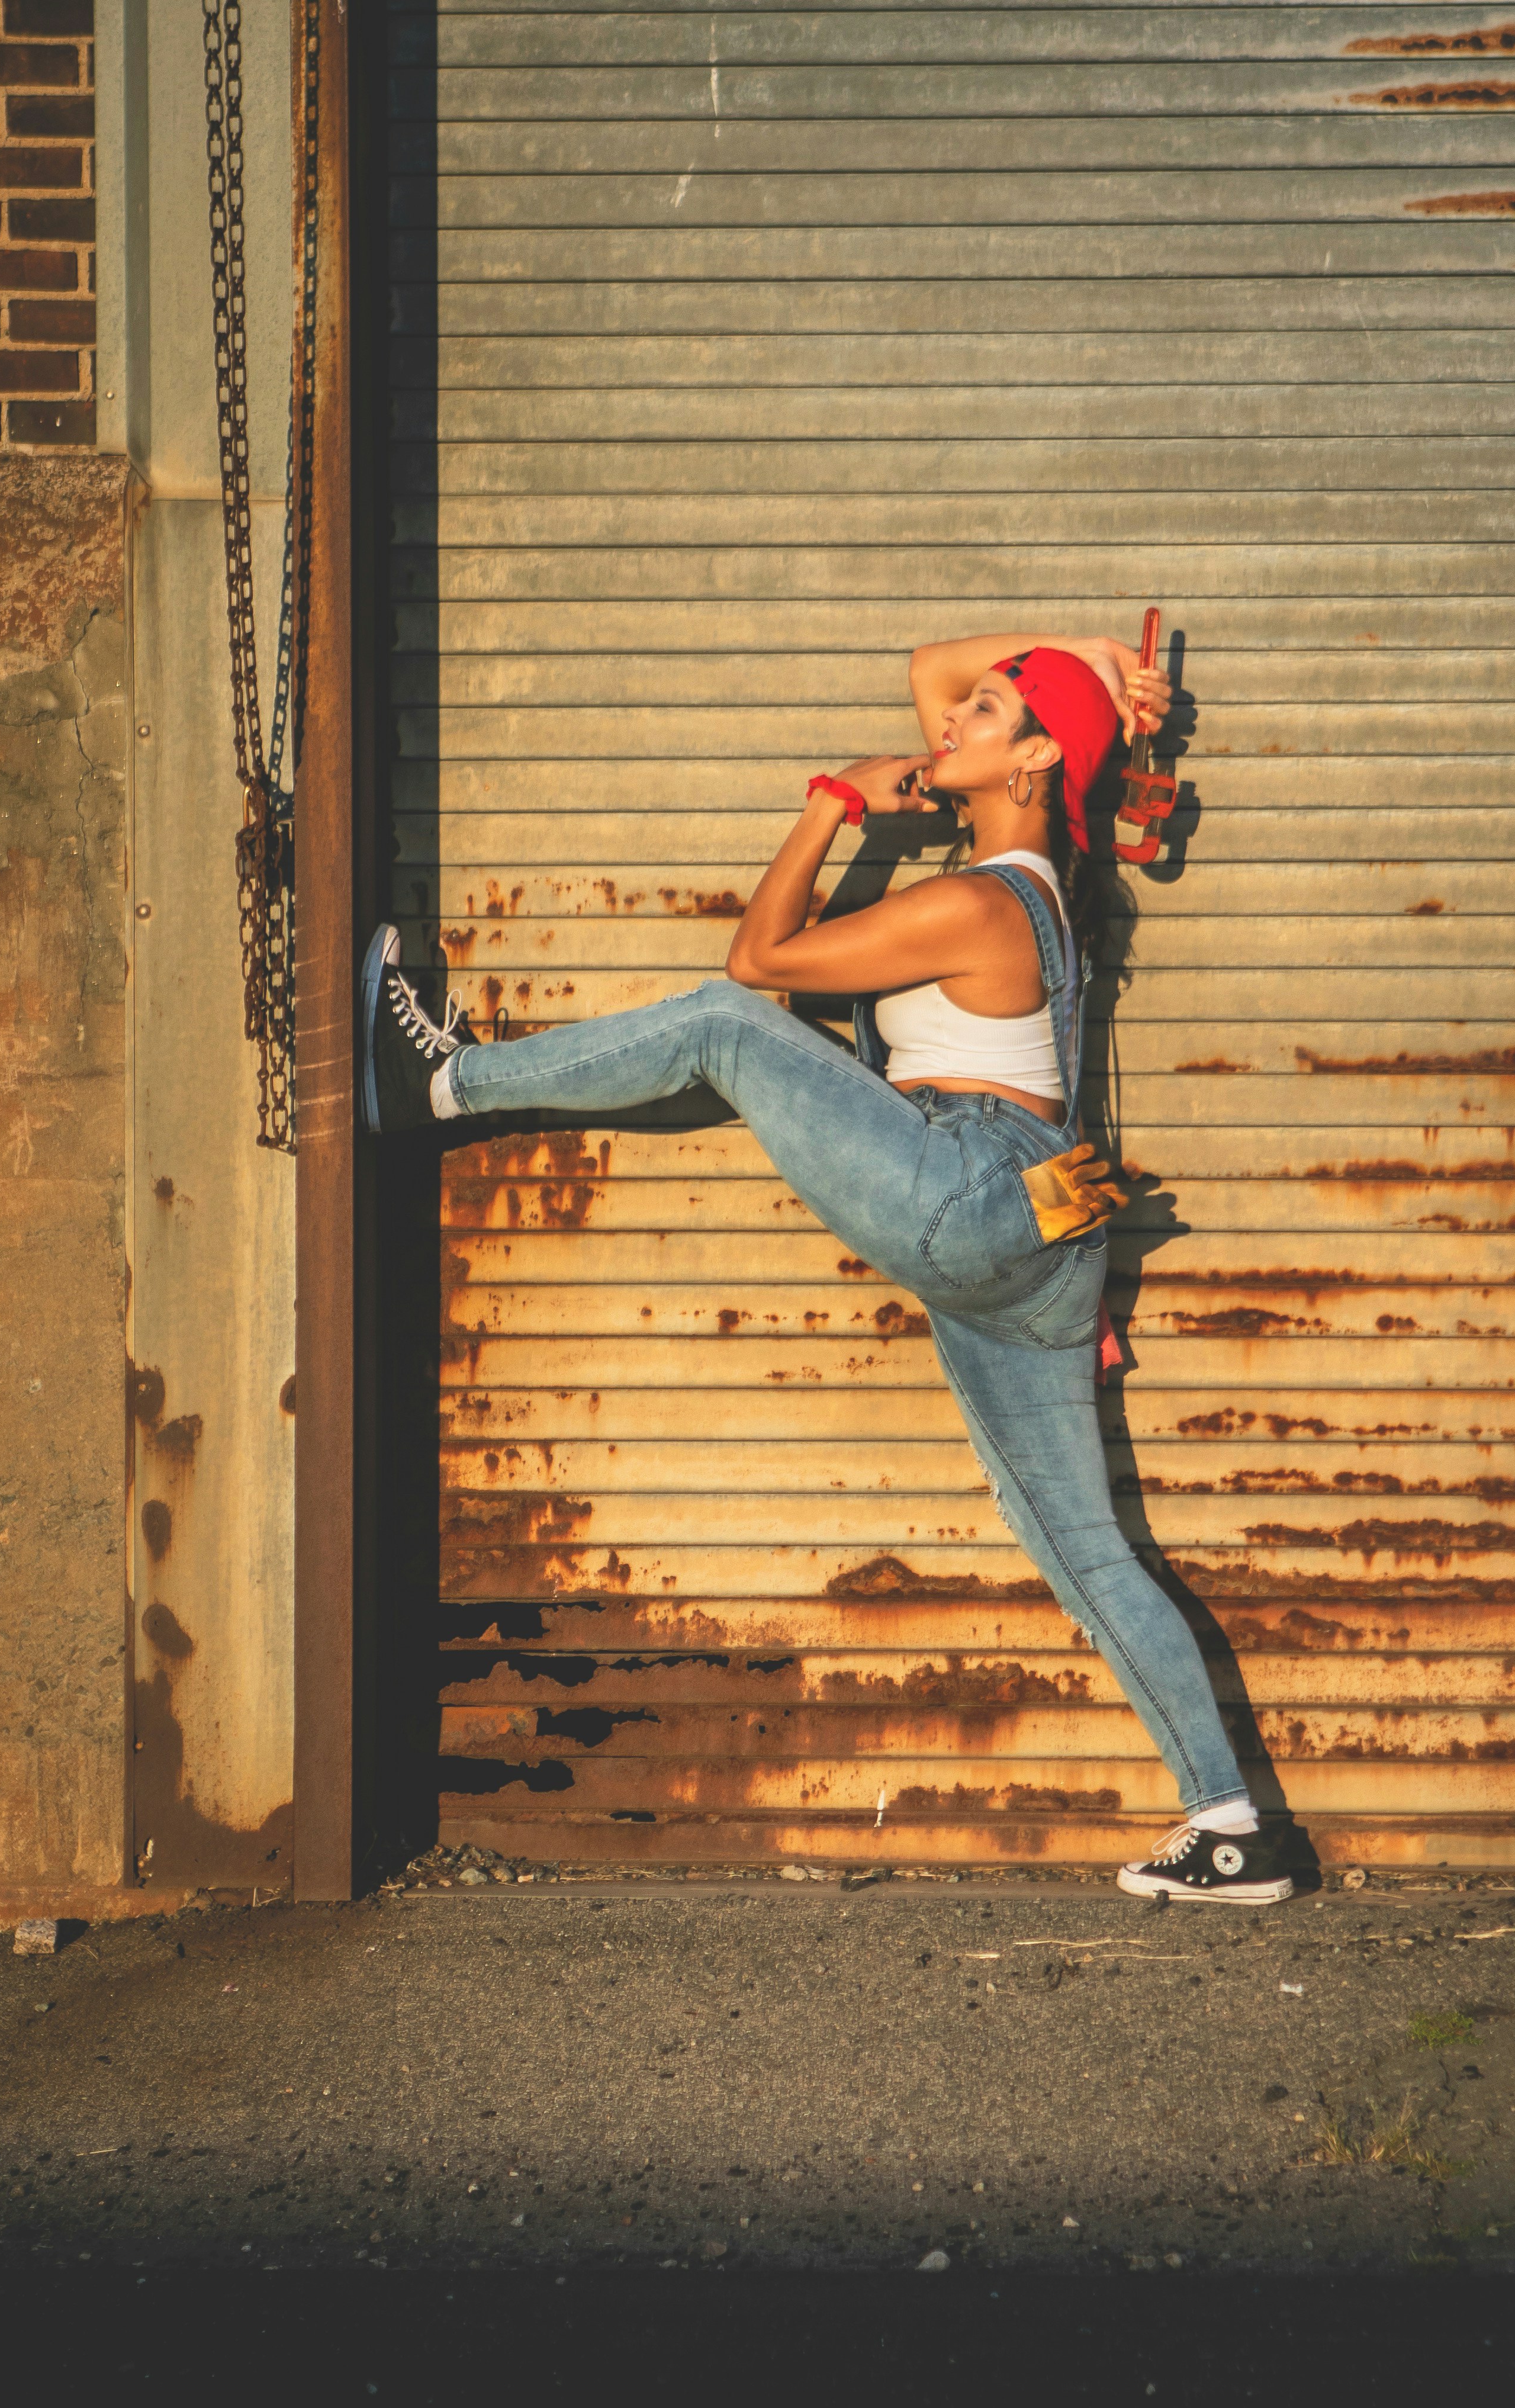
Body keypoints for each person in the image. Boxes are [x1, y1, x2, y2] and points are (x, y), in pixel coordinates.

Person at [359, 629, 1291, 1905]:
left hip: (969, 1188)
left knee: (724, 1028)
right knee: (1083, 1546)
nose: (950, 716)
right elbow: (929, 666)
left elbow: (760, 967)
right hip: (1042, 1236)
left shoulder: (977, 900)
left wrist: (833, 804)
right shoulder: (1038, 882)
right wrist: (1074, 658)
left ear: (1032, 764)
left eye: (991, 712)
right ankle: (1234, 1823)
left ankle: (437, 1082)